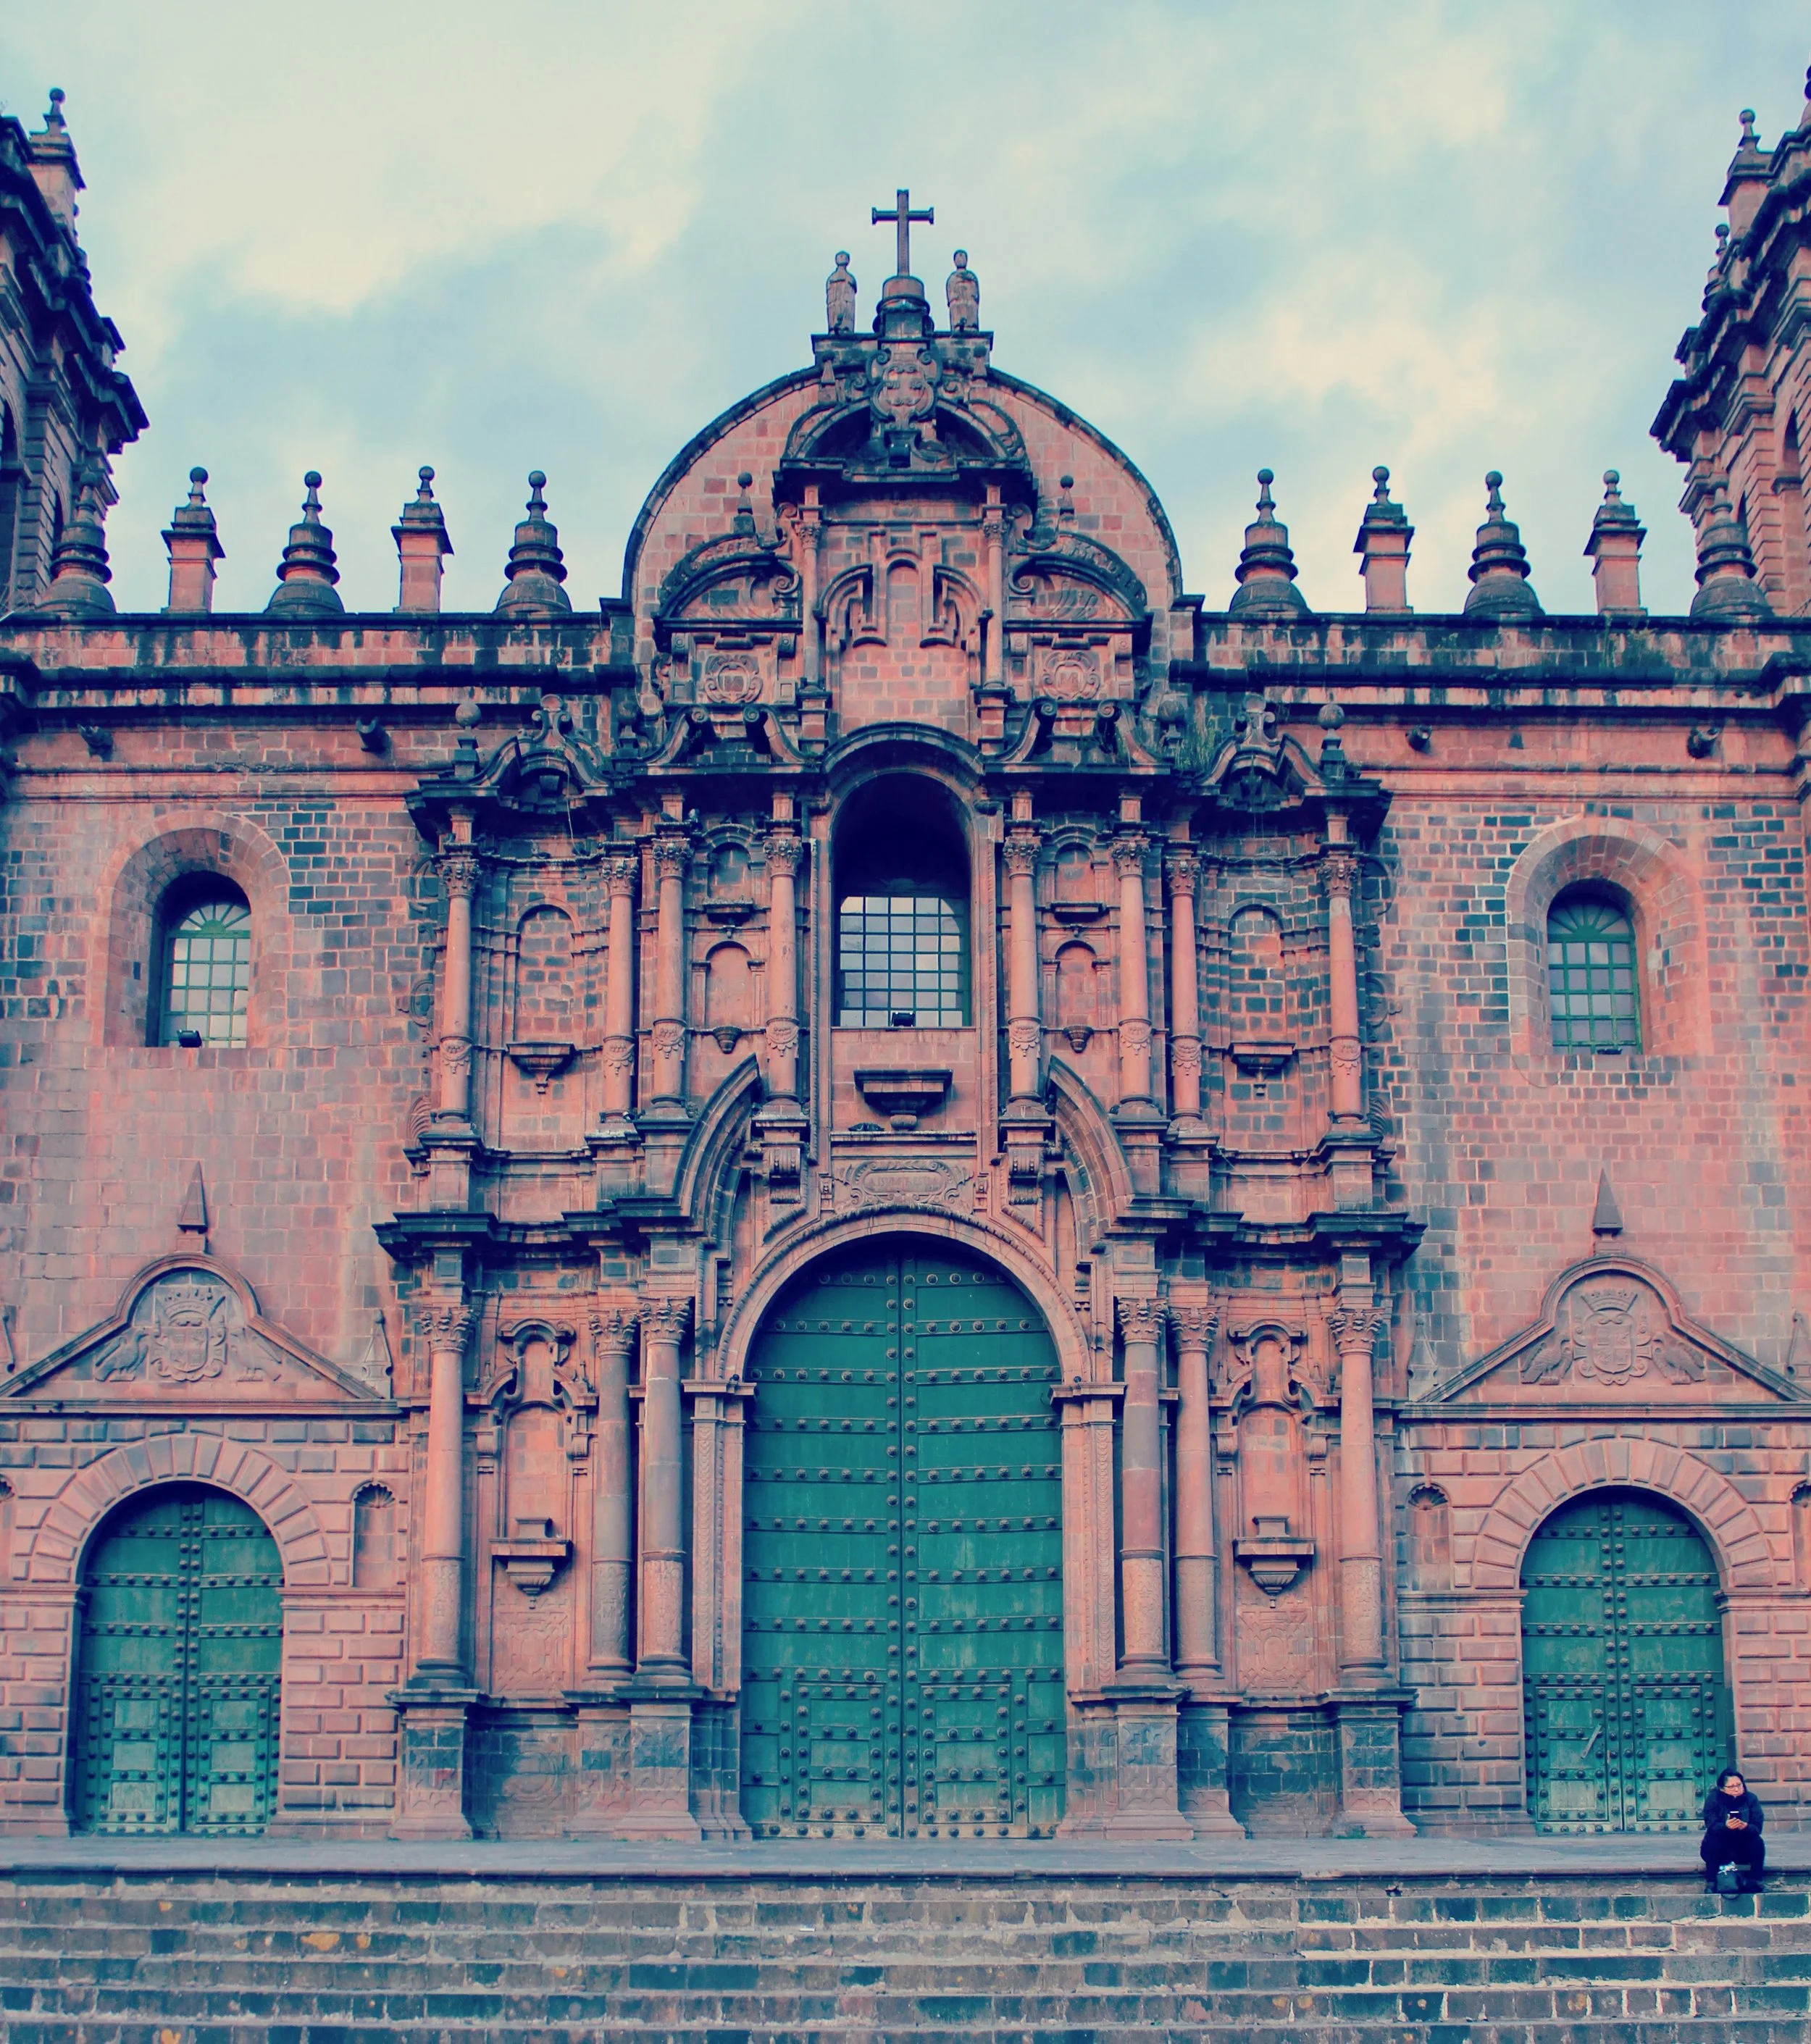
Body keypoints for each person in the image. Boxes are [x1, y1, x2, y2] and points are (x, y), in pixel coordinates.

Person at [1701, 1767, 1765, 1893]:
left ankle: (1756, 1881)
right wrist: (1725, 1826)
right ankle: (1711, 1882)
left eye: (1739, 1785)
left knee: (1757, 1842)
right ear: (1722, 1788)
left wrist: (1745, 1827)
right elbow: (1711, 1825)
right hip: (1721, 1848)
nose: (1737, 1789)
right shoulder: (1714, 1799)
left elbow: (1757, 1827)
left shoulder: (1751, 1799)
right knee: (1712, 1841)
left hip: (1743, 1847)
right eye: (1731, 1787)